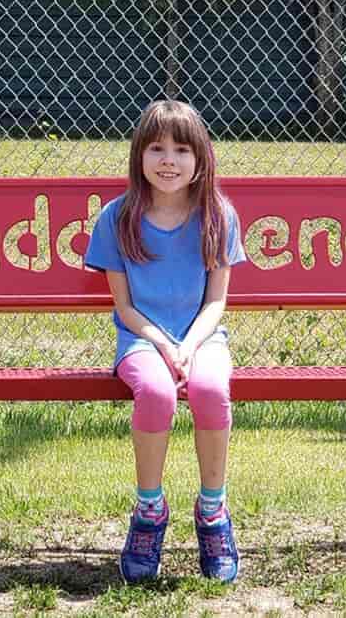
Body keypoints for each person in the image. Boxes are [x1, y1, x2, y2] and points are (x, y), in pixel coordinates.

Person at [84, 100, 246, 583]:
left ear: (201, 159)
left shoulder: (218, 215)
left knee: (211, 390)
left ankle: (213, 513)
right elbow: (126, 308)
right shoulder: (117, 218)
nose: (168, 160)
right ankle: (149, 513)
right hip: (141, 339)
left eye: (181, 149)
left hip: (203, 337)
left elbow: (216, 302)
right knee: (155, 393)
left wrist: (189, 347)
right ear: (139, 156)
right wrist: (162, 344)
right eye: (156, 148)